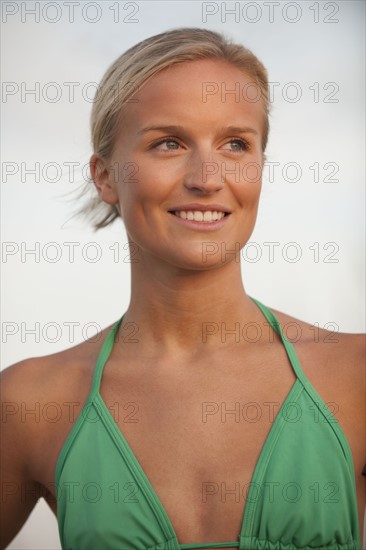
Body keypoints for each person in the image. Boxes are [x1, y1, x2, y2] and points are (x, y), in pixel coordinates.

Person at [1, 27, 364, 550]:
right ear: (106, 177)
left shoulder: (356, 377)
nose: (207, 177)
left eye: (236, 144)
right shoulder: (31, 402)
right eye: (168, 143)